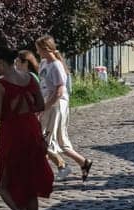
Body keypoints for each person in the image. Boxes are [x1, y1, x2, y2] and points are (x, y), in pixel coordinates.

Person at [0, 46, 54, 210]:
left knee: (3, 185)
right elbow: (40, 105)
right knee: (30, 183)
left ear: (1, 62)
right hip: (31, 131)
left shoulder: (0, 85)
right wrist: (24, 109)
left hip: (12, 134)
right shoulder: (30, 79)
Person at [36, 35, 92, 179]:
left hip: (55, 106)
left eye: (38, 49)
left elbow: (59, 91)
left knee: (45, 140)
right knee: (60, 141)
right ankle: (83, 162)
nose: (37, 52)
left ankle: (55, 169)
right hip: (47, 103)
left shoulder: (56, 65)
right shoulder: (43, 63)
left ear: (45, 48)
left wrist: (44, 108)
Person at [20, 50, 65, 176]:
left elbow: (36, 95)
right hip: (29, 113)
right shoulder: (25, 76)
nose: (15, 64)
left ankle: (59, 164)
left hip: (32, 113)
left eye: (17, 61)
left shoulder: (30, 77)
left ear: (25, 63)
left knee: (37, 143)